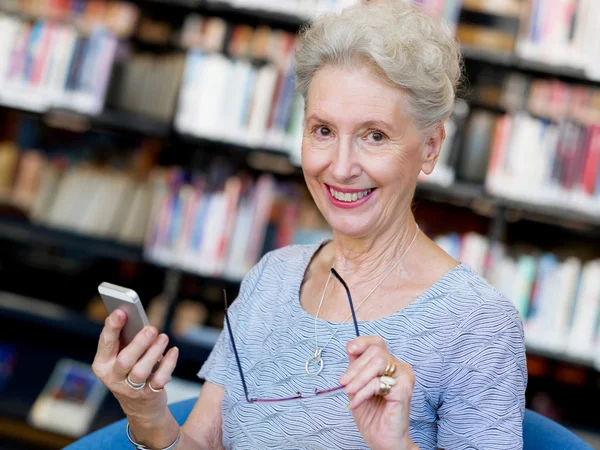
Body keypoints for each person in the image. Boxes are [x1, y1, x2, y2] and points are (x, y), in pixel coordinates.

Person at [92, 1, 527, 449]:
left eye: (374, 135)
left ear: (431, 146)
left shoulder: (479, 325)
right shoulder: (271, 278)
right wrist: (146, 411)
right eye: (322, 131)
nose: (340, 168)